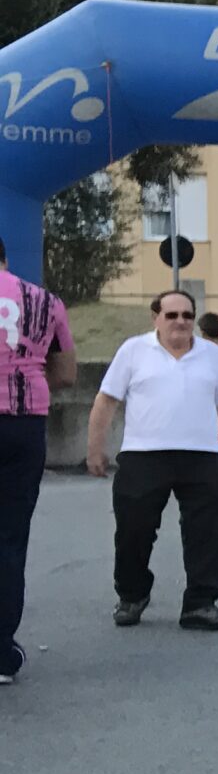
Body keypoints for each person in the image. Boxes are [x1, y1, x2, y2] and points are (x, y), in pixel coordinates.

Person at [86, 289, 218, 633]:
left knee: (208, 532)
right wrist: (95, 448)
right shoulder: (133, 351)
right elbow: (106, 400)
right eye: (172, 315)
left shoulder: (212, 356)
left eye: (187, 315)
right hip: (144, 456)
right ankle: (132, 596)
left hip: (202, 455)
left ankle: (201, 603)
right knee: (134, 531)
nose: (181, 322)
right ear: (155, 317)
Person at [0, 232, 77, 684]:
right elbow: (66, 373)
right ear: (6, 257)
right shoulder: (44, 301)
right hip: (22, 425)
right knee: (9, 537)